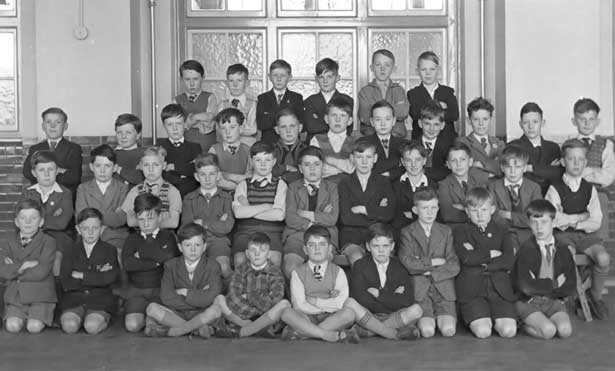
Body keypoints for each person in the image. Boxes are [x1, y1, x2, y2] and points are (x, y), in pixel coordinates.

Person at [545, 138, 610, 320]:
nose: (576, 163)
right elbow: (555, 221)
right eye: (571, 159)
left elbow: (595, 221)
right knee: (567, 256)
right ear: (563, 162)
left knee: (603, 258)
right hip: (563, 236)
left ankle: (595, 297)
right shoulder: (555, 189)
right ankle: (566, 298)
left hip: (585, 236)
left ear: (585, 163)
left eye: (580, 159)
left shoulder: (590, 190)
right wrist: (581, 216)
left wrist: (571, 221)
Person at [454, 187, 517, 339]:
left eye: (484, 210)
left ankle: (497, 317)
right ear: (467, 212)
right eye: (474, 211)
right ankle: (476, 318)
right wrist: (491, 254)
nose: (479, 215)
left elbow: (509, 259)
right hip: (472, 290)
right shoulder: (460, 231)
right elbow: (467, 258)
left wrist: (481, 260)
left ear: (492, 209)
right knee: (483, 332)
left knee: (508, 331)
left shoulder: (502, 229)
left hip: (499, 288)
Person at [279, 225, 359, 343]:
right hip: (307, 316)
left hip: (332, 317)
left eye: (322, 245)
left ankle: (303, 333)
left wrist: (316, 302)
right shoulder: (298, 273)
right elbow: (299, 305)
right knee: (286, 313)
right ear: (305, 249)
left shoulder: (338, 272)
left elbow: (340, 303)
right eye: (312, 245)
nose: (317, 249)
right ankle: (325, 334)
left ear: (329, 249)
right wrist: (324, 307)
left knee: (349, 313)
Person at [399, 188, 459, 338]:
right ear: (415, 210)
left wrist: (430, 272)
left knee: (448, 330)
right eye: (425, 208)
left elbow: (454, 265)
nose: (430, 212)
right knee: (427, 331)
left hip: (443, 288)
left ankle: (442, 316)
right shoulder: (407, 232)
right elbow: (408, 263)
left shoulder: (446, 231)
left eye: (433, 207)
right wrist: (434, 261)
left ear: (438, 208)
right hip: (421, 290)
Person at [144, 223, 222, 338]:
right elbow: (167, 297)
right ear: (180, 247)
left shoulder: (213, 266)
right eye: (188, 245)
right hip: (177, 313)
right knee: (152, 308)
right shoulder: (170, 265)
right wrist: (199, 296)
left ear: (204, 246)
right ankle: (195, 329)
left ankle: (173, 331)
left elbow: (211, 296)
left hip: (202, 312)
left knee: (216, 310)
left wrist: (186, 293)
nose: (193, 249)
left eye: (197, 245)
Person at [512, 199, 575, 339]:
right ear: (529, 223)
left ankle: (544, 321)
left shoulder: (564, 250)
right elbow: (525, 287)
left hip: (553, 301)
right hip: (528, 301)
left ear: (554, 222)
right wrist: (554, 283)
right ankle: (523, 324)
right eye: (534, 223)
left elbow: (570, 285)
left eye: (544, 222)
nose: (539, 227)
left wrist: (539, 284)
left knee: (565, 331)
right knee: (548, 331)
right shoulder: (525, 250)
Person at [350, 223, 423, 339]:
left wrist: (379, 295)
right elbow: (362, 299)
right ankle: (391, 332)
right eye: (376, 246)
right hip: (370, 315)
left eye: (385, 246)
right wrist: (393, 297)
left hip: (393, 315)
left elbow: (407, 300)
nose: (381, 251)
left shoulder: (400, 266)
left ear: (392, 246)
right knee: (350, 303)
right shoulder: (360, 265)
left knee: (416, 310)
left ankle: (370, 331)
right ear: (368, 247)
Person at [212, 232, 290, 338]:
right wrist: (260, 299)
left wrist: (249, 296)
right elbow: (233, 297)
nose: (257, 254)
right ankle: (257, 328)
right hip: (244, 315)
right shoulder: (240, 270)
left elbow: (276, 297)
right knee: (220, 299)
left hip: (266, 315)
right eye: (253, 250)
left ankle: (243, 331)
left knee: (284, 304)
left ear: (269, 254)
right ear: (247, 253)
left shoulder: (275, 271)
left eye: (262, 250)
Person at [121, 194, 180, 333]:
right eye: (141, 219)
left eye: (150, 218)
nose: (145, 223)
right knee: (132, 326)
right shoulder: (131, 239)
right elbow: (128, 264)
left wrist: (141, 255)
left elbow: (170, 259)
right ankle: (149, 319)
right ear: (136, 219)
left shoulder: (168, 236)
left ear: (159, 217)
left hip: (161, 290)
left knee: (156, 319)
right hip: (137, 291)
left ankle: (151, 320)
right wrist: (156, 262)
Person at [59, 208, 119, 335]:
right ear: (78, 229)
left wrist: (81, 275)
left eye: (95, 228)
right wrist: (97, 277)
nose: (90, 232)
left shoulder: (110, 250)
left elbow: (110, 278)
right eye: (85, 228)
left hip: (100, 301)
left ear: (102, 229)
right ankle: (79, 319)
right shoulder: (70, 250)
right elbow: (66, 282)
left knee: (91, 327)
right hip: (74, 299)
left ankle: (99, 319)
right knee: (69, 326)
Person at [0, 199, 57, 333]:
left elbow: (41, 271)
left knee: (34, 327)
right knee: (12, 326)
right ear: (16, 222)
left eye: (33, 218)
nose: (28, 222)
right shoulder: (8, 242)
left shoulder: (48, 241)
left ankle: (36, 317)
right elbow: (3, 270)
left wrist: (15, 269)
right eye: (23, 218)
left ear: (41, 221)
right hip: (16, 294)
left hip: (41, 294)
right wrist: (24, 265)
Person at [283, 146, 339, 278]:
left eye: (316, 164)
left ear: (323, 167)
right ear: (301, 168)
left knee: (320, 269)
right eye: (307, 165)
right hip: (297, 234)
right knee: (291, 268)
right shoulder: (293, 187)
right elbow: (291, 218)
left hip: (325, 234)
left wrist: (306, 214)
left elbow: (332, 218)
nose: (312, 168)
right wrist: (318, 219)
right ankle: (298, 298)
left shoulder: (332, 187)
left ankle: (318, 298)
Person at [339, 138, 396, 266]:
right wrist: (376, 211)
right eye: (359, 157)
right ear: (352, 158)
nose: (364, 162)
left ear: (375, 158)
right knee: (358, 260)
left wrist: (364, 210)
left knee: (381, 260)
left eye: (368, 157)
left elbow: (389, 214)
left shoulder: (384, 182)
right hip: (352, 236)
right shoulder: (344, 183)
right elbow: (346, 218)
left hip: (378, 235)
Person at [232, 141, 287, 268]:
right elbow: (239, 213)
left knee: (275, 259)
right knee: (240, 260)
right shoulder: (243, 185)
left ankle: (271, 288)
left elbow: (279, 215)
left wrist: (249, 209)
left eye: (267, 160)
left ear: (273, 162)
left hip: (272, 232)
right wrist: (266, 206)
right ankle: (243, 287)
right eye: (258, 160)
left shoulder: (280, 184)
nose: (263, 164)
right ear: (251, 161)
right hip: (246, 232)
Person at [181, 153, 235, 280]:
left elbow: (227, 227)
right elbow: (186, 229)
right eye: (202, 174)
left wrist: (202, 223)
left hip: (219, 242)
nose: (207, 178)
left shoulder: (226, 198)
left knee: (224, 268)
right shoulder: (189, 198)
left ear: (218, 175)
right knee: (195, 272)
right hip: (196, 242)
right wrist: (217, 223)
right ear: (196, 176)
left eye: (211, 174)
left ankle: (229, 296)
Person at [21, 150, 74, 277]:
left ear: (57, 171)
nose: (46, 174)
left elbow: (62, 222)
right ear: (34, 173)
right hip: (32, 236)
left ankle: (56, 291)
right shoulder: (27, 193)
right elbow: (22, 219)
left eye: (50, 169)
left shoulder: (65, 193)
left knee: (56, 260)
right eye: (41, 170)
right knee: (27, 259)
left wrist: (37, 220)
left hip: (59, 237)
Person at [487, 145, 542, 252]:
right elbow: (494, 216)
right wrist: (523, 218)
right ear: (502, 168)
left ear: (525, 168)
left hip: (529, 234)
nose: (512, 171)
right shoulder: (493, 186)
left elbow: (536, 218)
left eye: (517, 167)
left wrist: (509, 215)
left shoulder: (534, 187)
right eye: (508, 167)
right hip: (503, 233)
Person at [75, 144, 129, 251]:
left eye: (107, 166)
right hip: (88, 236)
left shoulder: (122, 188)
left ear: (115, 168)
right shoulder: (83, 188)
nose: (102, 171)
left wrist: (93, 217)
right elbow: (81, 217)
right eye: (98, 166)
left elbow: (121, 218)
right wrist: (110, 217)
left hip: (116, 236)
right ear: (91, 167)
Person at [23, 107, 82, 197]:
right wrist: (60, 170)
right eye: (48, 122)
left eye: (57, 122)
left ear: (65, 126)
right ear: (43, 126)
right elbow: (27, 172)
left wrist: (41, 172)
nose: (52, 126)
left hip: (64, 197)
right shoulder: (35, 149)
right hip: (39, 197)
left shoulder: (74, 149)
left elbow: (74, 178)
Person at [121, 146, 182, 230]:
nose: (150, 169)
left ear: (163, 165)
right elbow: (131, 221)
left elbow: (173, 223)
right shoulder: (135, 191)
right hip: (141, 238)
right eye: (146, 165)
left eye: (156, 165)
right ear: (141, 166)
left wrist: (141, 220)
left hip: (164, 238)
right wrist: (161, 219)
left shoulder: (172, 191)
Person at [507, 102, 562, 195]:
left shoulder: (553, 147)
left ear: (543, 123)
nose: (531, 127)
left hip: (549, 198)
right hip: (525, 197)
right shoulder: (513, 147)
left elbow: (558, 174)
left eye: (535, 122)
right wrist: (547, 170)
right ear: (520, 124)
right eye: (526, 122)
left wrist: (530, 168)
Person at [408, 51, 459, 140]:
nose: (428, 73)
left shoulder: (448, 92)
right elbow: (415, 114)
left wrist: (425, 107)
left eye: (432, 69)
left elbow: (454, 115)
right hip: (420, 141)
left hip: (447, 140)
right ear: (417, 71)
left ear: (438, 70)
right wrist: (439, 106)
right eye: (424, 69)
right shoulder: (413, 93)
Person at [358, 49, 409, 137]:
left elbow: (403, 112)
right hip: (371, 138)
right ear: (371, 68)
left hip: (396, 137)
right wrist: (391, 114)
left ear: (393, 68)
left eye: (387, 65)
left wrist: (376, 114)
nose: (382, 68)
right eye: (378, 65)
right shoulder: (365, 91)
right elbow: (365, 117)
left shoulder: (399, 90)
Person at [437, 142, 488, 227]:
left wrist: (462, 207)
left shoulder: (479, 182)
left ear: (470, 162)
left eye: (462, 159)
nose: (458, 164)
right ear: (448, 165)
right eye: (454, 160)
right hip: (457, 229)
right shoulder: (444, 185)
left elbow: (487, 209)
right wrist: (475, 212)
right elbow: (448, 214)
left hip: (480, 227)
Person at [392, 141, 435, 239]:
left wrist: (410, 214)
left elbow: (437, 216)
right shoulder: (394, 186)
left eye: (418, 160)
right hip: (402, 235)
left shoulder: (434, 185)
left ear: (424, 160)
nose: (413, 164)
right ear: (402, 162)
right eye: (408, 160)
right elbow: (394, 216)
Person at [303, 58, 354, 141]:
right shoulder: (309, 101)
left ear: (337, 78)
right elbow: (311, 127)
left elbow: (348, 128)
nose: (325, 81)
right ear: (316, 79)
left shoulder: (347, 100)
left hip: (340, 144)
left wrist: (319, 123)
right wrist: (335, 126)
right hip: (314, 147)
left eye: (329, 76)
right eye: (321, 77)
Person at [309, 95, 356, 184]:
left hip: (349, 188)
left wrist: (334, 167)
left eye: (342, 115)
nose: (337, 119)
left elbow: (356, 168)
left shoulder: (355, 142)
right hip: (324, 188)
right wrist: (345, 166)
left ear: (350, 121)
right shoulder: (316, 140)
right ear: (326, 119)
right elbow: (315, 167)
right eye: (334, 115)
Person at [256, 59, 304, 144]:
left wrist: (272, 118)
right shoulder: (263, 98)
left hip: (291, 143)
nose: (279, 79)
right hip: (268, 143)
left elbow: (301, 123)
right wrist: (286, 119)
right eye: (275, 75)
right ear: (269, 77)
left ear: (289, 77)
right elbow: (261, 124)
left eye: (283, 75)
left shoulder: (296, 98)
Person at [159, 103, 202, 198]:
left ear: (185, 124)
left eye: (178, 123)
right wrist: (184, 173)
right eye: (170, 124)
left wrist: (174, 167)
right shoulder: (158, 148)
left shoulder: (195, 147)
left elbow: (197, 171)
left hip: (190, 196)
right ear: (164, 126)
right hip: (165, 196)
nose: (175, 128)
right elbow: (158, 174)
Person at [176, 59, 219, 152]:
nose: (192, 84)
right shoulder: (176, 101)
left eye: (195, 79)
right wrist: (199, 119)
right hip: (184, 149)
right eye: (187, 79)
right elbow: (176, 127)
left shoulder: (210, 98)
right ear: (181, 80)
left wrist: (191, 119)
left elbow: (208, 127)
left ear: (203, 78)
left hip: (207, 148)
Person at [457, 97, 505, 178]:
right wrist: (492, 170)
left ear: (491, 119)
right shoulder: (463, 143)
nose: (481, 123)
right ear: (469, 120)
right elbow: (464, 170)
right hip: (474, 189)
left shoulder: (499, 144)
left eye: (485, 119)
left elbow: (505, 168)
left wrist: (480, 164)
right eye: (476, 119)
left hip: (498, 189)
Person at [209, 108, 253, 191]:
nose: (227, 132)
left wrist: (230, 176)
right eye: (223, 128)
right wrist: (236, 185)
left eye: (232, 127)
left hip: (243, 193)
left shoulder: (248, 150)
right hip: (219, 194)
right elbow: (213, 177)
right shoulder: (214, 150)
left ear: (241, 128)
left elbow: (250, 177)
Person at [216, 63, 258, 146]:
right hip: (226, 145)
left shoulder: (252, 104)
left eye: (239, 81)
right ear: (226, 83)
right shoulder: (222, 104)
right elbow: (218, 129)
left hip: (247, 145)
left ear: (247, 83)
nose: (235, 85)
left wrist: (229, 129)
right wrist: (242, 129)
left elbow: (253, 129)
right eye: (231, 81)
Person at [364, 100, 405, 181]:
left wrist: (391, 174)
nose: (383, 124)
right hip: (372, 185)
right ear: (372, 122)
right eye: (378, 119)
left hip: (397, 187)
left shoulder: (403, 144)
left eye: (387, 119)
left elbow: (408, 167)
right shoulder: (364, 143)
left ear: (393, 121)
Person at [416, 100, 455, 182]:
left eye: (436, 124)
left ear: (442, 125)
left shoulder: (449, 146)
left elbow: (450, 170)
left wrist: (425, 172)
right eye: (427, 124)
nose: (431, 129)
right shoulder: (413, 145)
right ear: (420, 123)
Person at [272, 108, 307, 184]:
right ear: (277, 130)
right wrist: (286, 168)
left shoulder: (307, 150)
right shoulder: (270, 150)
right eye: (283, 127)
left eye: (292, 126)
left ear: (300, 127)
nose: (288, 130)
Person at [113, 113, 146, 187]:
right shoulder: (111, 154)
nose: (123, 136)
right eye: (119, 132)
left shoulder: (145, 155)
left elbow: (140, 178)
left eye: (128, 132)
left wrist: (119, 169)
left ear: (138, 135)